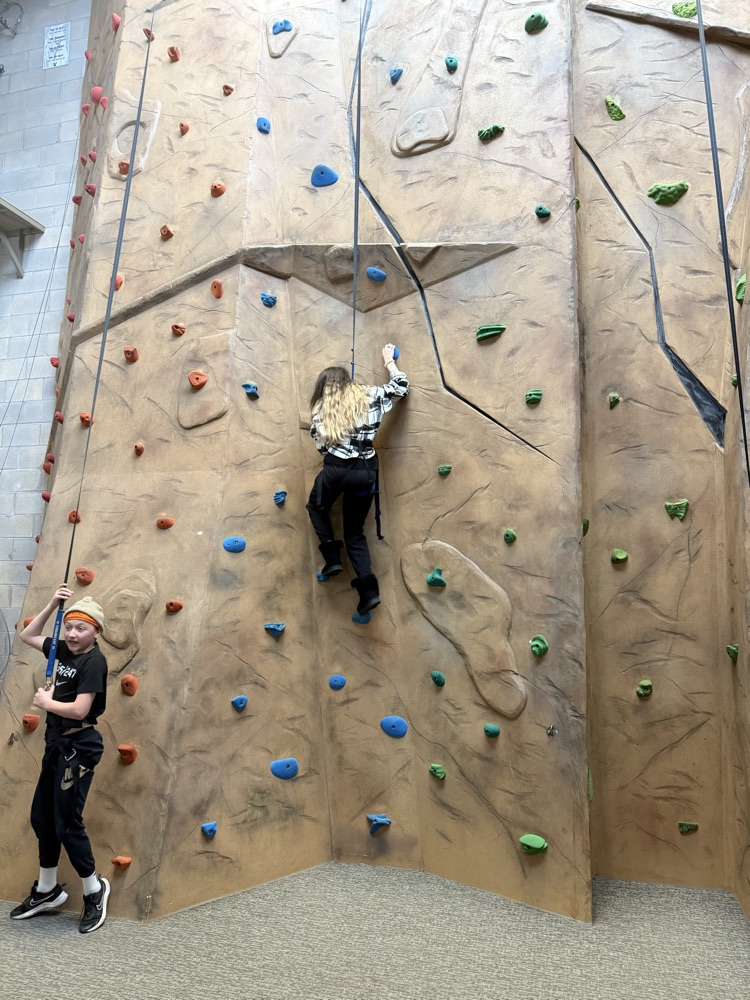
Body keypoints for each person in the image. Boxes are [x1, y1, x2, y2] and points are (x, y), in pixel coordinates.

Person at [11, 585, 110, 934]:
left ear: (96, 632)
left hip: (79, 745)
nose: (72, 633)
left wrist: (46, 703)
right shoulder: (61, 649)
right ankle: (46, 889)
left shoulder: (93, 661)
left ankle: (94, 890)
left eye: (81, 628)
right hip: (56, 744)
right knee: (43, 818)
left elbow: (81, 709)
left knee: (67, 822)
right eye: (68, 626)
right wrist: (54, 603)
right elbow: (27, 634)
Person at [306, 344, 409, 616]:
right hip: (366, 472)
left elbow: (320, 446)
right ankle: (368, 593)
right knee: (354, 531)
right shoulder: (367, 395)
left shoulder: (321, 408)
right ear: (346, 381)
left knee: (315, 507)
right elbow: (400, 387)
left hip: (336, 470)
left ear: (323, 386)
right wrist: (388, 361)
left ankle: (332, 559)